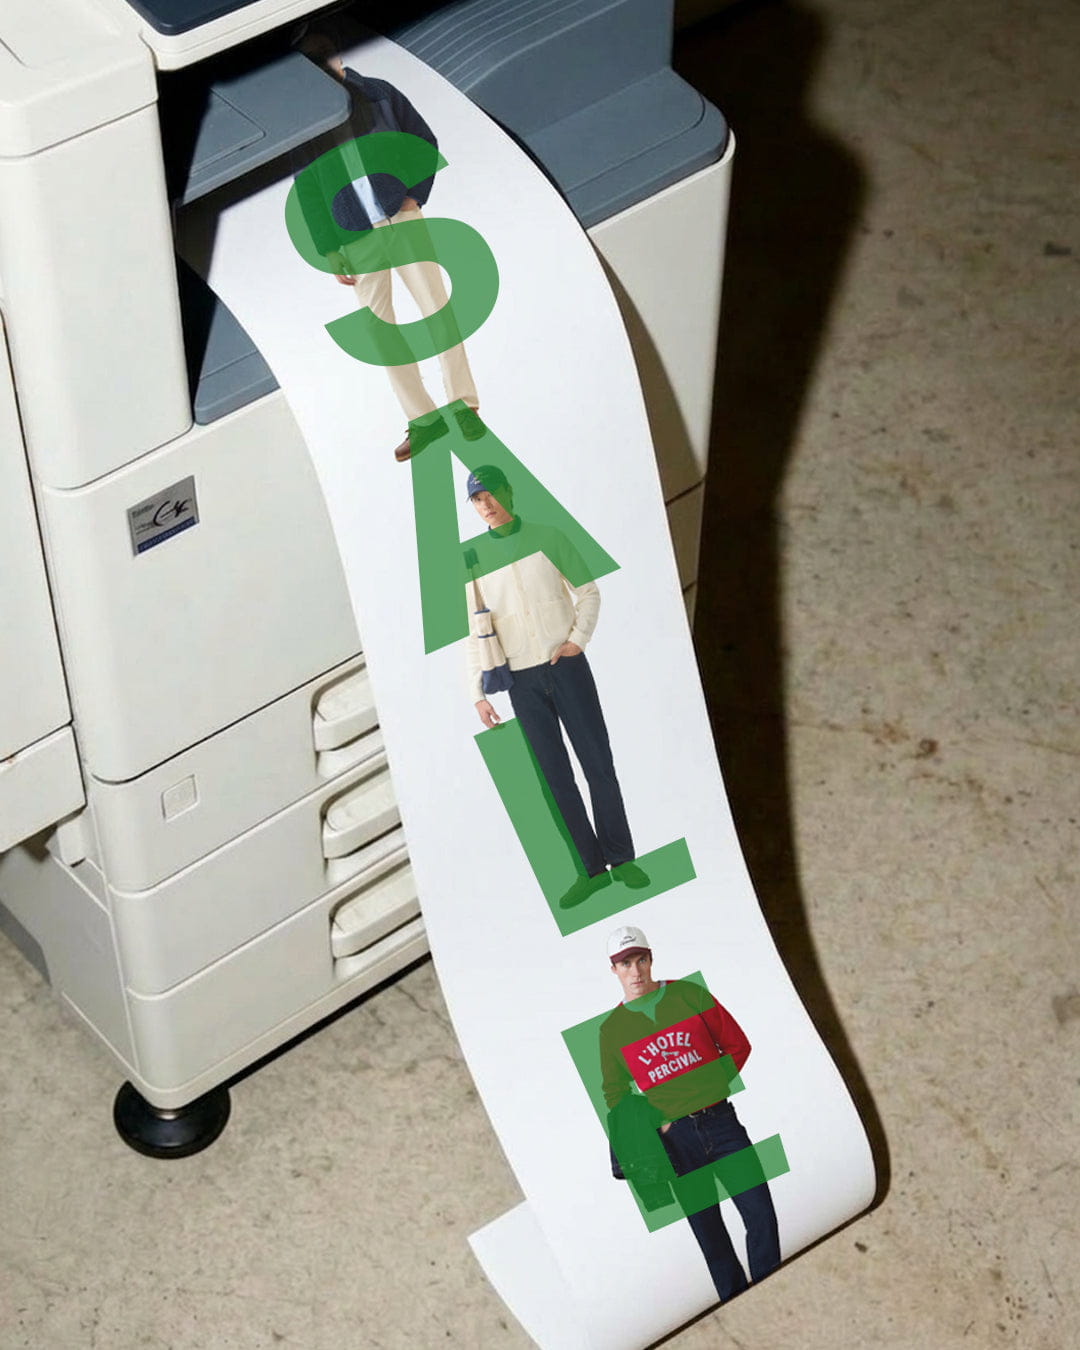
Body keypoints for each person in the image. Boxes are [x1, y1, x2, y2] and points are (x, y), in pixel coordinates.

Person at [294, 28, 482, 461]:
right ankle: (424, 419)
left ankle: (464, 405)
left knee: (436, 309)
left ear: (338, 61)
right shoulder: (308, 123)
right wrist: (328, 249)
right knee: (380, 331)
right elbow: (307, 188)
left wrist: (416, 193)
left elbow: (423, 140)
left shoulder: (379, 94)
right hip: (355, 235)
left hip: (402, 216)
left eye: (327, 72)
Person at [465, 466, 646, 907]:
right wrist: (477, 693)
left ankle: (622, 860)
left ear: (509, 492)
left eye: (491, 494)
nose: (486, 505)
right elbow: (475, 631)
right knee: (555, 778)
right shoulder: (474, 561)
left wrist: (576, 642)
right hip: (520, 682)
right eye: (477, 500)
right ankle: (591, 871)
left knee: (598, 764)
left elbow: (589, 592)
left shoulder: (549, 536)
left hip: (566, 668)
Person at [599, 925, 781, 1302]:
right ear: (613, 970)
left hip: (722, 1123)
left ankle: (771, 1292)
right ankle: (738, 1303)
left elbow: (737, 1045)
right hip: (675, 1142)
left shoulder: (688, 994)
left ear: (651, 959)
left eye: (640, 960)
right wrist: (657, 1123)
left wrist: (704, 1089)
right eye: (625, 964)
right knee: (710, 1236)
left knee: (760, 1213)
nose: (635, 971)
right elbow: (614, 1093)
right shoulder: (612, 1030)